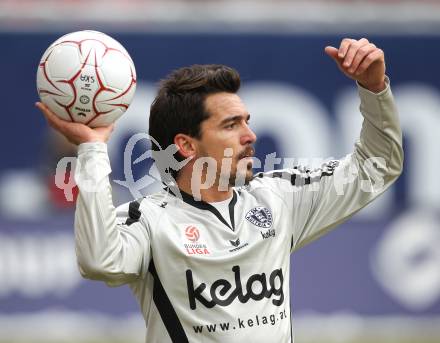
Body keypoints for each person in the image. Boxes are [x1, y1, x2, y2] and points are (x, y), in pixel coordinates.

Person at [36, 38, 403, 343]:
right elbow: (100, 262)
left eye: (247, 121)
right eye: (231, 125)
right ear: (187, 145)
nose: (250, 135)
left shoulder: (280, 198)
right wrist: (92, 149)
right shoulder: (147, 220)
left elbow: (378, 166)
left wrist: (374, 89)